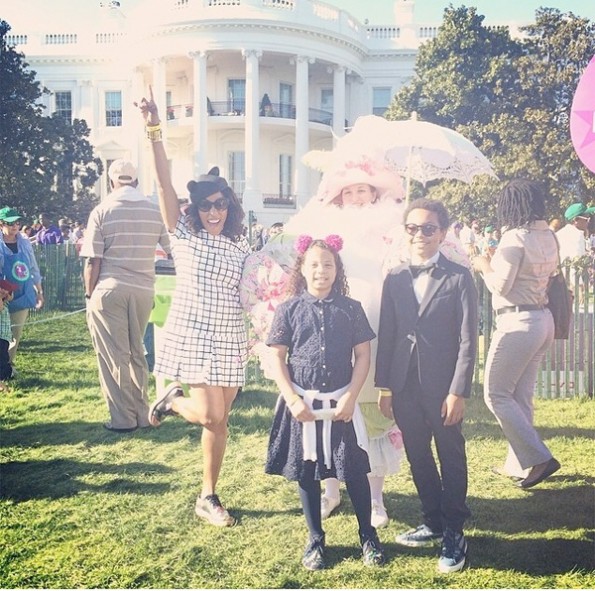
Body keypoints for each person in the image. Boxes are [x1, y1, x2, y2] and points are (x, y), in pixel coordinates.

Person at [138, 89, 251, 527]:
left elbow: (254, 284)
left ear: (229, 204)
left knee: (219, 425)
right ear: (195, 209)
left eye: (219, 204)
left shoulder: (241, 241)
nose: (213, 212)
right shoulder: (182, 235)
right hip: (196, 332)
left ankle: (208, 496)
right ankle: (171, 401)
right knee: (209, 413)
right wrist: (153, 130)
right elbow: (164, 183)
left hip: (231, 335)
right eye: (205, 206)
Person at [265, 234, 384, 570]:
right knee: (307, 471)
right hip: (302, 407)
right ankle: (315, 538)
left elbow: (363, 355)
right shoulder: (289, 309)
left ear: (337, 268)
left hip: (341, 406)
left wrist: (351, 396)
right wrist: (292, 400)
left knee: (355, 469)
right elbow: (277, 356)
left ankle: (368, 536)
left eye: (328, 264)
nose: (322, 270)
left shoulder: (351, 309)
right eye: (314, 264)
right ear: (302, 268)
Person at [376, 197, 478, 574]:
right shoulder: (396, 277)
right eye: (412, 228)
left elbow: (469, 339)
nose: (420, 235)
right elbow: (387, 334)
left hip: (443, 386)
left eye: (428, 228)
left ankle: (454, 529)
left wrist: (458, 390)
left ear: (442, 232)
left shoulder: (459, 276)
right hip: (403, 386)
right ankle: (432, 520)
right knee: (417, 453)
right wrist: (385, 387)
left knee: (450, 454)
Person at [472, 179, 561, 489]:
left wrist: (483, 263)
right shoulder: (548, 235)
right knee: (521, 396)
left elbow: (500, 286)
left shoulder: (514, 237)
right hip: (542, 320)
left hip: (516, 322)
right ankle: (518, 464)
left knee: (495, 394)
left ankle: (539, 459)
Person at [80, 158, 171, 433]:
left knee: (113, 356)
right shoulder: (154, 210)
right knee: (137, 354)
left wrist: (88, 294)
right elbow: (169, 248)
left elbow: (92, 261)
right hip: (144, 289)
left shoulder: (102, 210)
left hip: (110, 287)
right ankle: (144, 415)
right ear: (136, 181)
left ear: (111, 182)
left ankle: (122, 419)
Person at [0, 206, 44, 364]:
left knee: (15, 333)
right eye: (10, 223)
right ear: (1, 224)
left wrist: (39, 291)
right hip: (2, 296)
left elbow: (33, 267)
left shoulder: (25, 242)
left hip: (23, 294)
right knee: (2, 334)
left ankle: (8, 367)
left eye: (17, 223)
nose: (14, 227)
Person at [0, 279, 17, 387]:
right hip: (0, 336)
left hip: (4, 337)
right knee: (1, 358)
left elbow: (12, 296)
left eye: (9, 291)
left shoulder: (6, 302)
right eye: (5, 290)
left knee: (3, 357)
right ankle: (6, 373)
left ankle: (8, 372)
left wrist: (7, 293)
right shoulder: (1, 303)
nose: (7, 293)